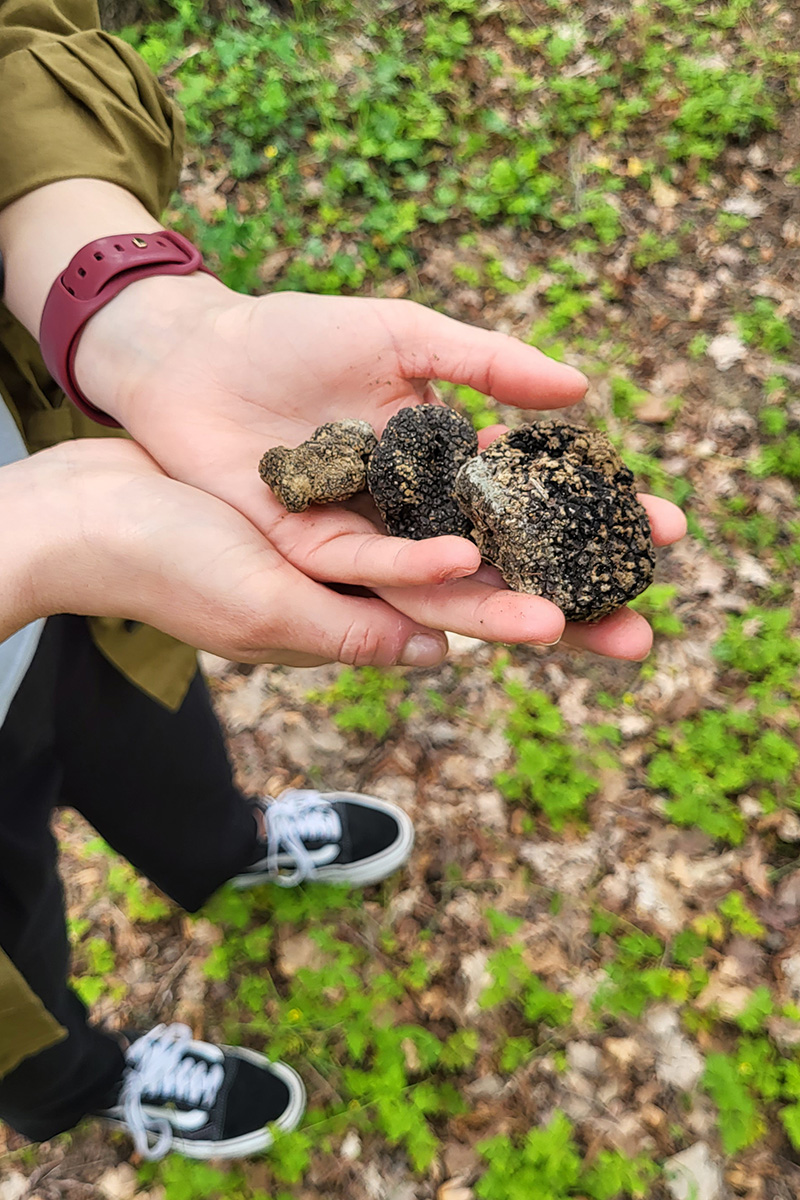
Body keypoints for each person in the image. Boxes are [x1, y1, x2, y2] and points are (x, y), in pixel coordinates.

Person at [0, 0, 687, 1165]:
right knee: (19, 976)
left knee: (169, 757)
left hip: (66, 569)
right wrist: (32, 539)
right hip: (45, 530)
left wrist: (132, 309)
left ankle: (229, 845)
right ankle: (86, 1084)